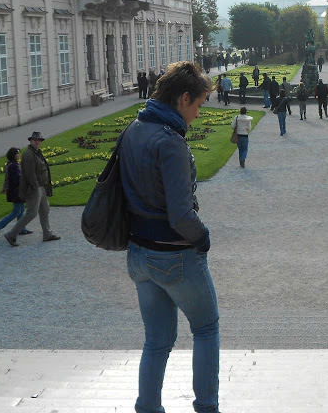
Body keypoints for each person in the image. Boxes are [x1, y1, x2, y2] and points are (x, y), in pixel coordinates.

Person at [119, 61, 220, 413]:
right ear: (184, 98)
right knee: (206, 328)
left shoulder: (133, 129)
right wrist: (203, 238)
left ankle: (147, 408)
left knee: (157, 340)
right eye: (198, 105)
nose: (197, 114)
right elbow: (181, 215)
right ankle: (207, 408)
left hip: (137, 253)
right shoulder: (170, 141)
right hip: (173, 254)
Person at [3, 131, 60, 246]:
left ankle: (47, 234)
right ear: (31, 141)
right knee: (31, 213)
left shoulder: (36, 152)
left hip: (40, 186)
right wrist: (35, 188)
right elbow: (30, 174)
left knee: (45, 209)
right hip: (34, 187)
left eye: (39, 140)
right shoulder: (29, 154)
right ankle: (11, 234)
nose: (38, 142)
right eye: (35, 140)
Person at [0, 147, 31, 237]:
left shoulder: (13, 164)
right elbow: (17, 179)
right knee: (17, 211)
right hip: (16, 192)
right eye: (18, 153)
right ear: (14, 155)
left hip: (16, 192)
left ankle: (22, 228)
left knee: (20, 211)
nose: (19, 155)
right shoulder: (13, 166)